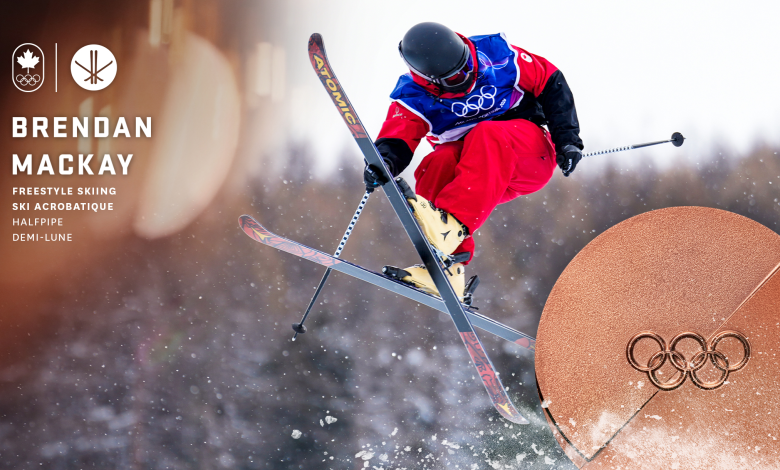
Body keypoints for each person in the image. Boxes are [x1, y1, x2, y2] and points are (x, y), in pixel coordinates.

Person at [364, 22, 583, 299]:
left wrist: (567, 140)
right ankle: (448, 268)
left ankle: (450, 227)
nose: (467, 78)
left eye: (467, 67)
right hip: (482, 179)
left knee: (487, 132)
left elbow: (551, 82)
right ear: (431, 82)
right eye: (456, 78)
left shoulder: (497, 55)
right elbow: (397, 138)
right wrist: (383, 164)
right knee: (438, 162)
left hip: (528, 156)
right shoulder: (414, 97)